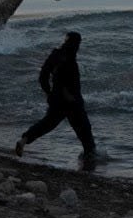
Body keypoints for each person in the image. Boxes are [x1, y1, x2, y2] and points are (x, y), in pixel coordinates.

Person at [15, 31, 95, 160]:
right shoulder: (69, 57)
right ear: (77, 43)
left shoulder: (55, 55)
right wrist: (66, 94)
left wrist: (49, 93)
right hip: (71, 100)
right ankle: (91, 158)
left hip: (56, 98)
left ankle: (24, 140)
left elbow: (43, 76)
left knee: (47, 124)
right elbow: (62, 77)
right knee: (85, 130)